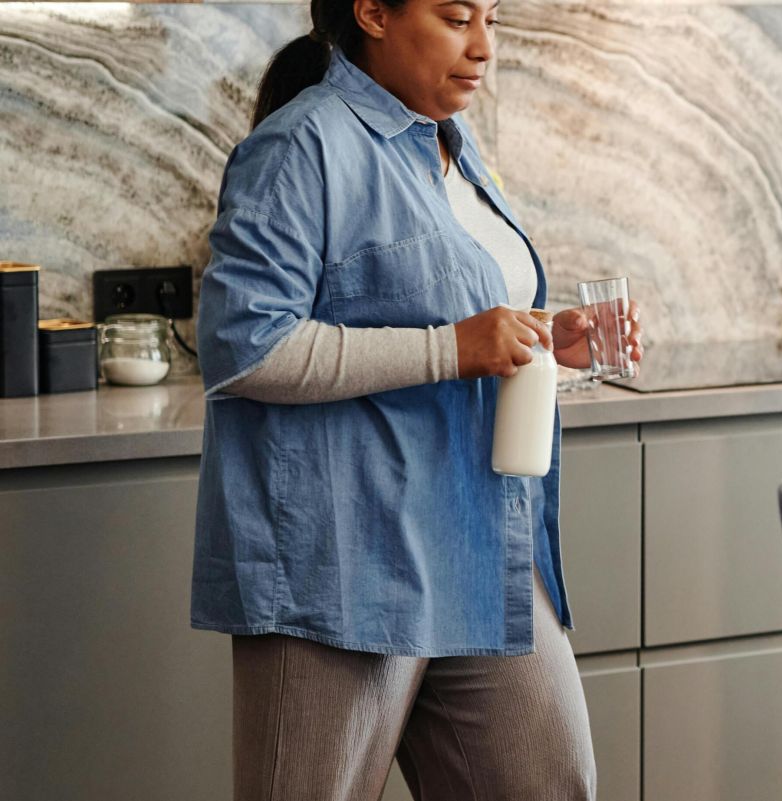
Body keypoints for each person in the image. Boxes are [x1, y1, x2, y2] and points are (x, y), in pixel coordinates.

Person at [191, 1, 641, 798]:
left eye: (493, 20)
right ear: (371, 12)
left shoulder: (455, 150)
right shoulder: (302, 147)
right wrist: (454, 347)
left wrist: (547, 337)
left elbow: (446, 313)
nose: (483, 47)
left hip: (478, 542)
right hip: (346, 559)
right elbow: (244, 346)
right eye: (456, 16)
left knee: (550, 782)